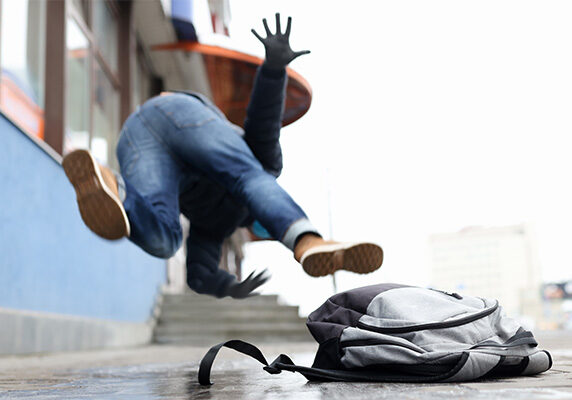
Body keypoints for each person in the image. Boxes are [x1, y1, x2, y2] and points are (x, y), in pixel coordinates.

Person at [62, 14, 383, 299]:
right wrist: (273, 70)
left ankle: (111, 187)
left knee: (165, 239)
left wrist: (227, 286)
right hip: (181, 114)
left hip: (139, 137)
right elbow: (262, 123)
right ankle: (307, 240)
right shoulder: (265, 167)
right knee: (252, 175)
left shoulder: (213, 228)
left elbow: (198, 272)